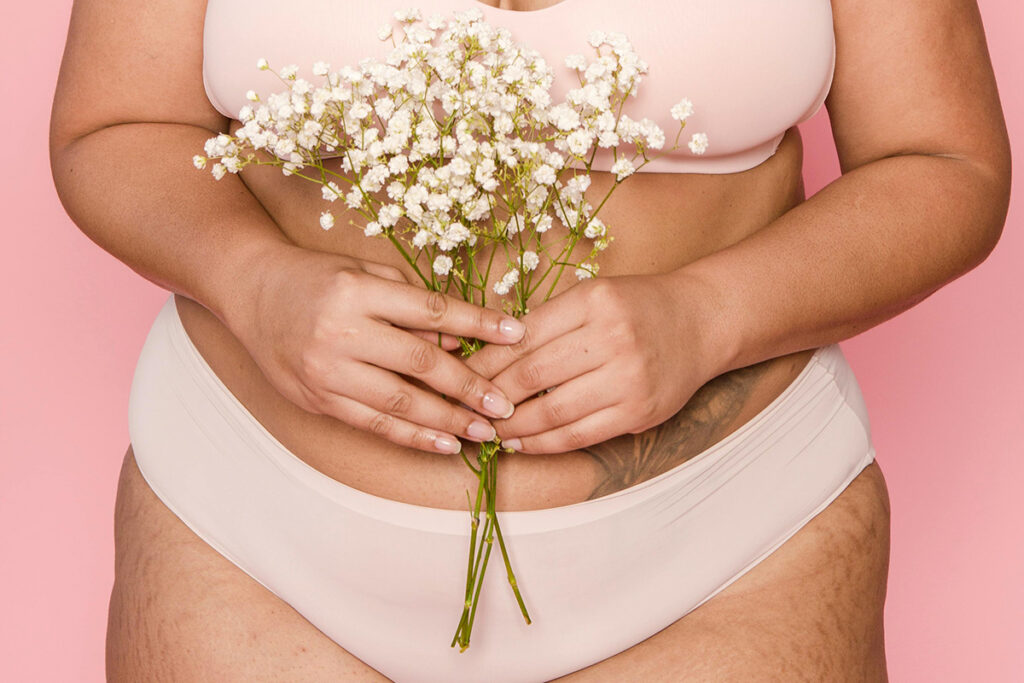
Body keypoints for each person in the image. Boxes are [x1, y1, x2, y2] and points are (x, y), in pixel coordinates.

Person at [49, 0, 1009, 680]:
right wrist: (254, 283)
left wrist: (707, 314)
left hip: (729, 555)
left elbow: (944, 161)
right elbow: (115, 122)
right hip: (253, 549)